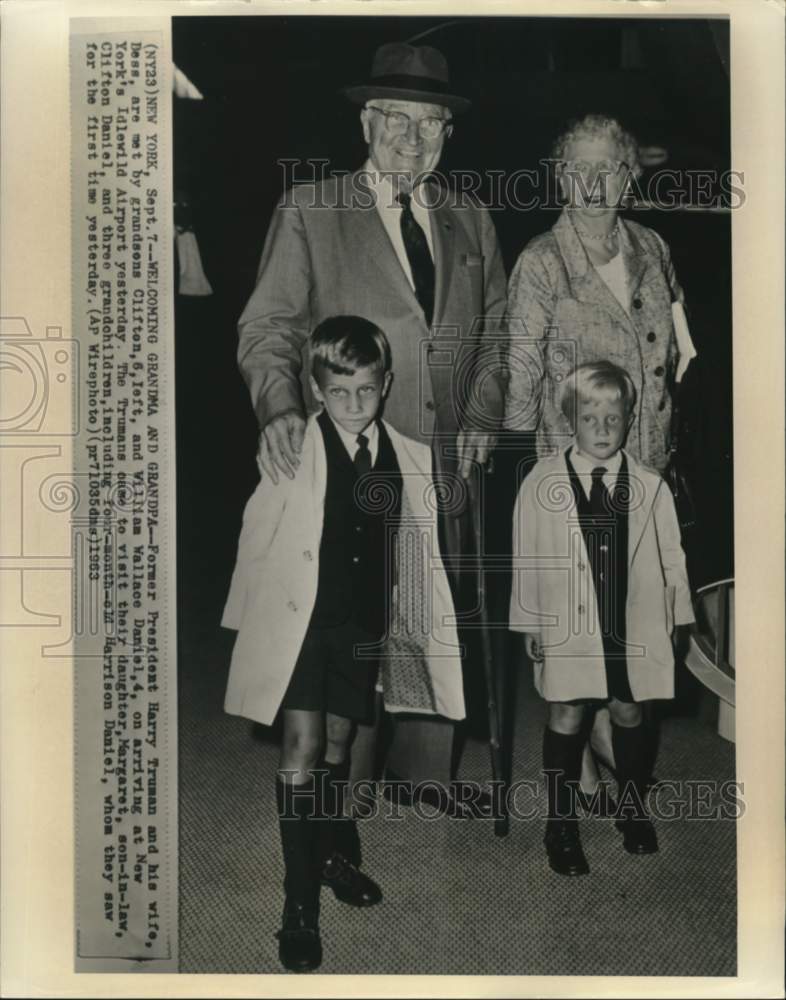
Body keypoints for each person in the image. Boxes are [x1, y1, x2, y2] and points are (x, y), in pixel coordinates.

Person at [236, 41, 507, 800]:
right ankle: (343, 794)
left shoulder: (471, 218)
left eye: (427, 125)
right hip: (346, 454)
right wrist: (281, 406)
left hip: (447, 456)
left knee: (430, 613)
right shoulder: (311, 210)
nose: (410, 139)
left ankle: (421, 775)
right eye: (395, 121)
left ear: (447, 135)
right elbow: (269, 328)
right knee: (352, 619)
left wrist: (484, 410)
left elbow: (497, 330)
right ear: (365, 123)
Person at [222, 317, 464, 970]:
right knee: (300, 747)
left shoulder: (410, 457)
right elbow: (257, 531)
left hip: (363, 629)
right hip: (300, 623)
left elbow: (416, 555)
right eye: (338, 391)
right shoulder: (293, 447)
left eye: (366, 390)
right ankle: (297, 903)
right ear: (315, 388)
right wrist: (248, 622)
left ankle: (328, 852)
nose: (354, 405)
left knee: (336, 744)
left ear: (386, 384)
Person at [503, 112, 694, 794]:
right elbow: (521, 370)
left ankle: (612, 738)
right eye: (576, 169)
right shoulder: (541, 260)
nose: (591, 183)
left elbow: (673, 351)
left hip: (645, 469)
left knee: (633, 621)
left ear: (628, 176)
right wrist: (523, 479)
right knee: (573, 631)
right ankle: (579, 748)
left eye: (606, 168)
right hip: (573, 477)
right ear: (558, 177)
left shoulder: (652, 246)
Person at [509, 361, 694, 876]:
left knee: (629, 711)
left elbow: (672, 558)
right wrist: (529, 622)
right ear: (571, 419)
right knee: (566, 714)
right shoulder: (541, 482)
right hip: (568, 621)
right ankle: (560, 823)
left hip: (630, 621)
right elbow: (525, 557)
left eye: (615, 417)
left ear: (630, 419)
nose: (604, 429)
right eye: (591, 418)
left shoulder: (651, 485)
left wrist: (677, 621)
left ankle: (632, 807)